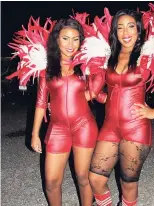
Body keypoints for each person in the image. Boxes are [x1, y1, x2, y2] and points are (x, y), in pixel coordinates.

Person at [88, 7, 154, 206]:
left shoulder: (147, 56)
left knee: (128, 184)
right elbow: (97, 90)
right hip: (109, 127)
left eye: (130, 26)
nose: (125, 32)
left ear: (139, 29)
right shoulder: (108, 57)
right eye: (120, 28)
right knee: (95, 179)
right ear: (114, 32)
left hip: (136, 129)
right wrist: (104, 97)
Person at [31, 18, 105, 206]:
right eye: (65, 38)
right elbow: (41, 102)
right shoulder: (46, 67)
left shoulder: (86, 65)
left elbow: (95, 92)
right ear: (57, 39)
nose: (71, 44)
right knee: (51, 182)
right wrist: (34, 134)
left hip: (84, 126)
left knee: (82, 177)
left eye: (76, 39)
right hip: (57, 129)